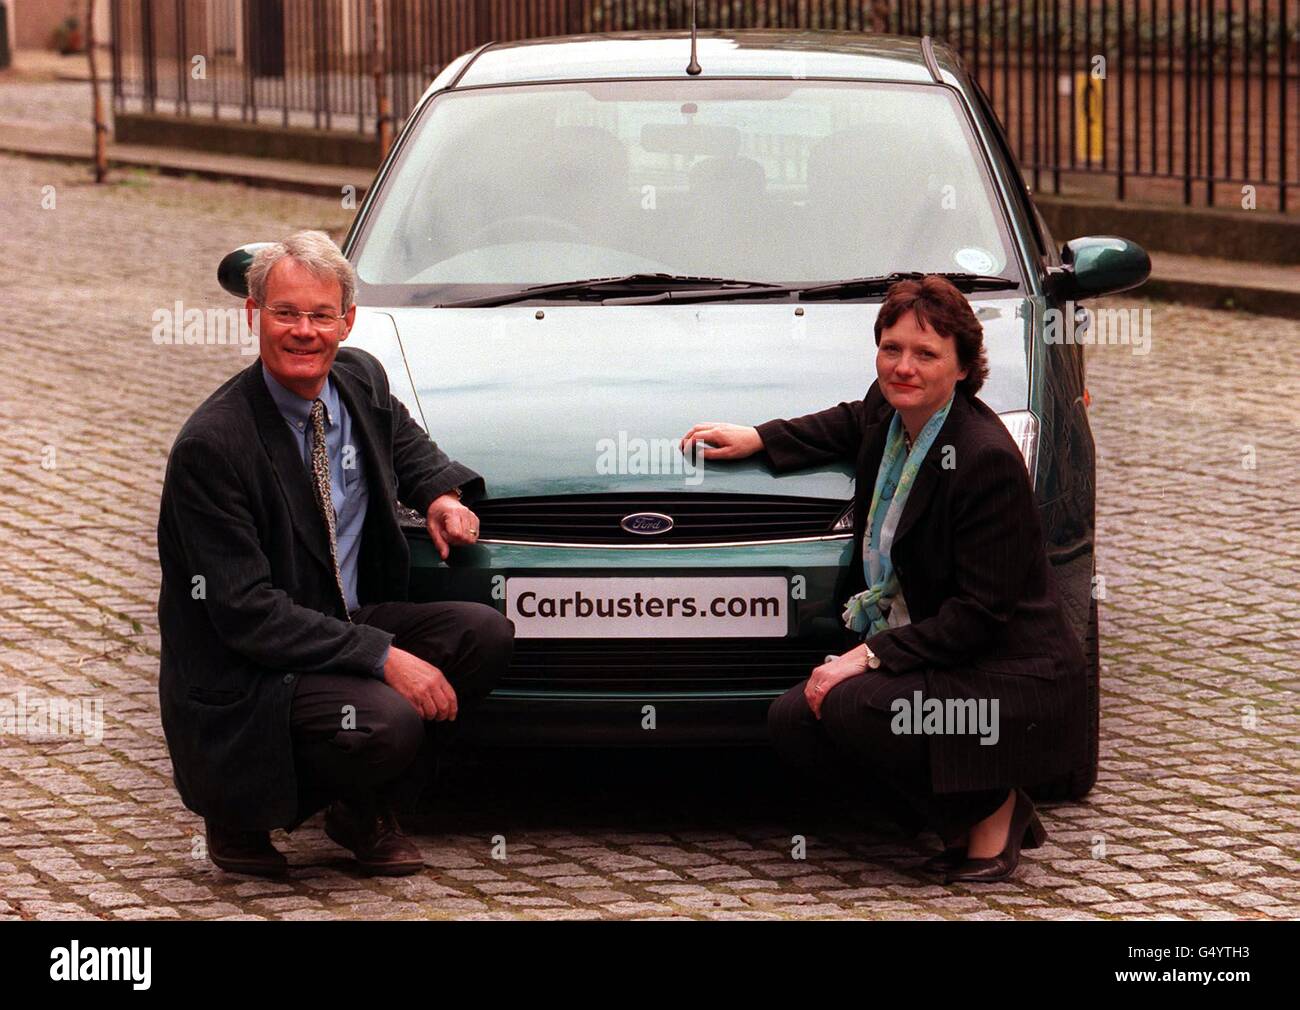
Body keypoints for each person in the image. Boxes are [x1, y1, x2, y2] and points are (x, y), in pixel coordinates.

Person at [680, 275, 1085, 883]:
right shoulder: (891, 413)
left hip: (1005, 671)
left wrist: (865, 656)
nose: (904, 367)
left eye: (926, 354)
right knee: (793, 721)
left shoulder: (983, 460)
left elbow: (978, 616)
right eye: (892, 349)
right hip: (939, 650)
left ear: (964, 367)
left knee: (851, 707)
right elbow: (846, 422)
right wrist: (760, 437)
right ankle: (960, 812)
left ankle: (993, 806)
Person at [157, 231, 514, 878]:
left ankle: (364, 809)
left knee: (482, 633)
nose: (304, 331)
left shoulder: (357, 379)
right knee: (388, 722)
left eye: (321, 315)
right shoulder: (214, 448)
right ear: (252, 315)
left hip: (343, 619)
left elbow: (403, 439)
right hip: (255, 669)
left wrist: (438, 492)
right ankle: (238, 814)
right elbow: (245, 614)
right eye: (285, 313)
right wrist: (384, 658)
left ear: (346, 322)